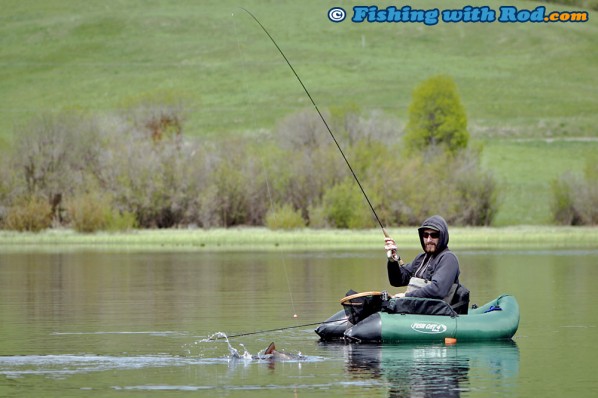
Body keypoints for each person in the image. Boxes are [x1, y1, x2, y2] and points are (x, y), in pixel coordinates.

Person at [384, 215, 461, 303]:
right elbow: (397, 281)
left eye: (434, 235)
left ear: (442, 236)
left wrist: (406, 296)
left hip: (439, 312)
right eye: (425, 235)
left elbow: (438, 290)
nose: (429, 240)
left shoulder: (448, 259)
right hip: (417, 308)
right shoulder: (420, 259)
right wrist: (392, 261)